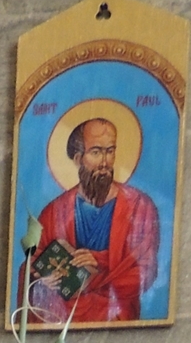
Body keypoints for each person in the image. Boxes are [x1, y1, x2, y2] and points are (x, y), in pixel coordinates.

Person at [29, 117, 160, 323]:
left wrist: (98, 263)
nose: (105, 162)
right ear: (78, 158)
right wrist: (43, 280)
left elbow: (146, 270)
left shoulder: (139, 207)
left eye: (110, 151)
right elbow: (32, 265)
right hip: (63, 319)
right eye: (96, 152)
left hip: (116, 317)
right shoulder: (54, 212)